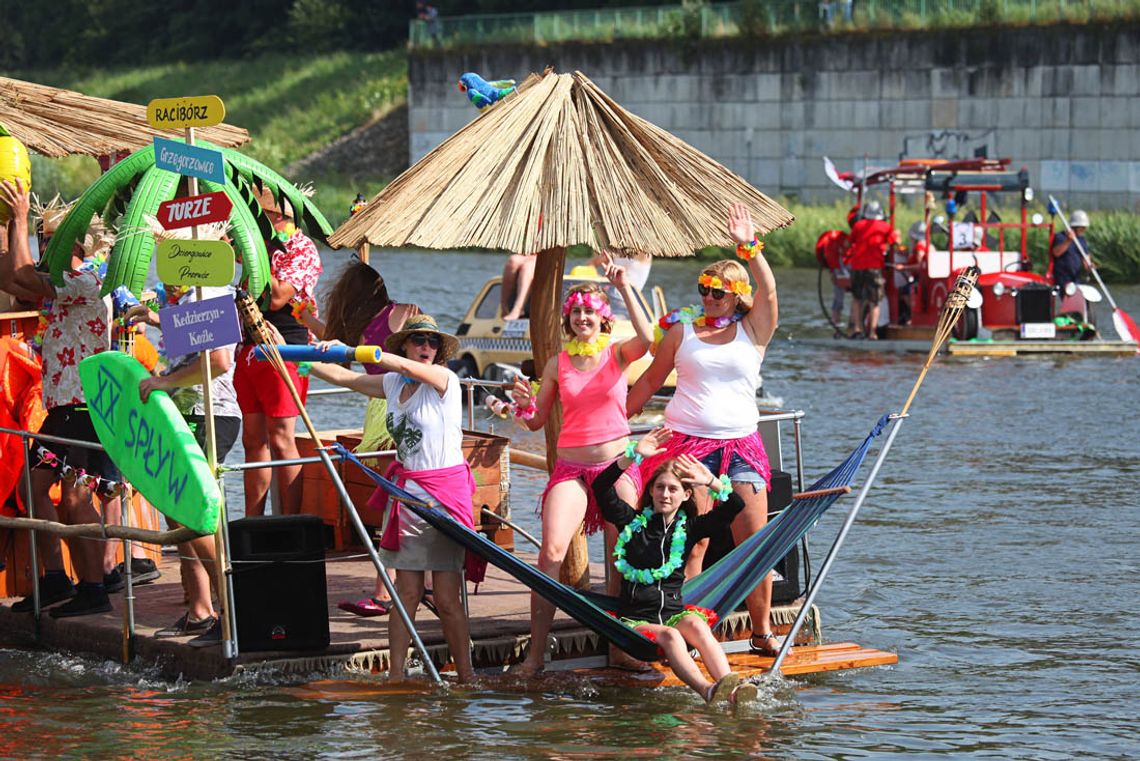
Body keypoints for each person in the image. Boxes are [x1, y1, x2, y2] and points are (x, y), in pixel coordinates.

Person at [626, 202, 782, 657]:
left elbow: (769, 291)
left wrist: (749, 248)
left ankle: (761, 631)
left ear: (736, 295)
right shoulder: (682, 331)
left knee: (753, 545)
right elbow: (651, 381)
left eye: (719, 291)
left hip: (742, 446)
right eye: (704, 288)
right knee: (692, 543)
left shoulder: (755, 329)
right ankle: (688, 632)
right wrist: (616, 422)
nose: (710, 296)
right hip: (687, 443)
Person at [309, 315, 478, 683]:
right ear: (404, 343)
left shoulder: (444, 381)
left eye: (432, 342)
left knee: (448, 599)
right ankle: (396, 676)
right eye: (418, 340)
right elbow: (345, 378)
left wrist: (349, 350)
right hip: (405, 498)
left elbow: (397, 364)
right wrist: (302, 356)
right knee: (406, 594)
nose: (426, 347)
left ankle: (468, 677)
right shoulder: (391, 382)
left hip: (444, 499)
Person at [508, 255, 655, 675]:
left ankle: (619, 647)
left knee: (618, 558)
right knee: (551, 552)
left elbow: (649, 338)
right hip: (571, 469)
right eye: (576, 312)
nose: (582, 317)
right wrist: (523, 405)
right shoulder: (557, 363)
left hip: (618, 466)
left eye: (590, 311)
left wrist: (625, 286)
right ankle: (536, 656)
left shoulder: (618, 354)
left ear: (603, 319)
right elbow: (537, 420)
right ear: (568, 319)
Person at [0, 178, 115, 617]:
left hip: (84, 407)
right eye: (42, 240)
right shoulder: (64, 280)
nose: (44, 248)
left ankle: (95, 588)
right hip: (62, 409)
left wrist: (17, 219)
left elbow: (23, 276)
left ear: (75, 246)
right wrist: (14, 227)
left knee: (75, 498)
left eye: (49, 240)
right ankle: (54, 579)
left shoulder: (85, 280)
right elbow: (14, 275)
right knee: (33, 486)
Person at [593, 426, 757, 705]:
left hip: (673, 614)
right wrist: (632, 456)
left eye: (673, 489)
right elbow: (601, 488)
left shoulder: (690, 529)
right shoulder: (631, 523)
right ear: (651, 492)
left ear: (685, 495)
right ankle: (707, 690)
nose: (665, 494)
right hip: (635, 622)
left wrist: (712, 482)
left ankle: (731, 690)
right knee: (670, 636)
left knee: (697, 624)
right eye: (660, 487)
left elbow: (734, 505)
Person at [130, 276, 241, 646]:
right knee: (179, 510)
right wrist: (157, 318)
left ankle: (231, 612)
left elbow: (219, 361)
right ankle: (200, 609)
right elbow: (196, 341)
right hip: (188, 410)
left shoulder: (208, 290)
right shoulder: (194, 292)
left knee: (196, 514)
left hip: (210, 412)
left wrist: (165, 382)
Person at [320, 260, 421, 617]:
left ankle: (385, 588)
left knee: (393, 496)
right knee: (404, 495)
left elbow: (336, 351)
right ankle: (399, 584)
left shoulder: (359, 327)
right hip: (407, 401)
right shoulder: (403, 313)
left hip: (379, 407)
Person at [233, 187, 322, 517]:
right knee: (252, 438)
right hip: (251, 345)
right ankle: (252, 521)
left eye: (264, 214)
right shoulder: (258, 243)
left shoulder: (302, 248)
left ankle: (289, 522)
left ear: (279, 216)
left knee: (282, 437)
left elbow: (278, 297)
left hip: (286, 345)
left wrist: (256, 254)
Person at [845, 200, 897, 340]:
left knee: (857, 298)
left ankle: (856, 329)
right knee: (874, 301)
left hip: (857, 266)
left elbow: (850, 242)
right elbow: (894, 243)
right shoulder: (886, 227)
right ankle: (872, 333)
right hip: (874, 268)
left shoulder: (858, 225)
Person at [814, 228, 850, 337]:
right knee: (856, 299)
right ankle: (849, 328)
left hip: (839, 269)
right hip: (841, 269)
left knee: (839, 300)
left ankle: (839, 329)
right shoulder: (836, 242)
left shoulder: (830, 241)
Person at [892, 221, 928, 325]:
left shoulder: (919, 247)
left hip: (920, 280)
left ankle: (912, 315)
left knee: (904, 291)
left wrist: (904, 268)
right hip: (920, 278)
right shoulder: (923, 245)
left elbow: (921, 266)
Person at [1050, 209, 1090, 294]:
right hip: (1062, 278)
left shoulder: (1082, 240)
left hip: (1075, 278)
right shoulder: (1060, 237)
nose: (1084, 230)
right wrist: (1068, 240)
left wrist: (1089, 266)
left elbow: (1086, 259)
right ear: (1076, 227)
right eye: (1082, 228)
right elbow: (1056, 253)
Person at [500, 253, 535, 320]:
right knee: (513, 260)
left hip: (546, 258)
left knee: (528, 267)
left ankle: (518, 309)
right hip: (531, 254)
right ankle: (504, 308)